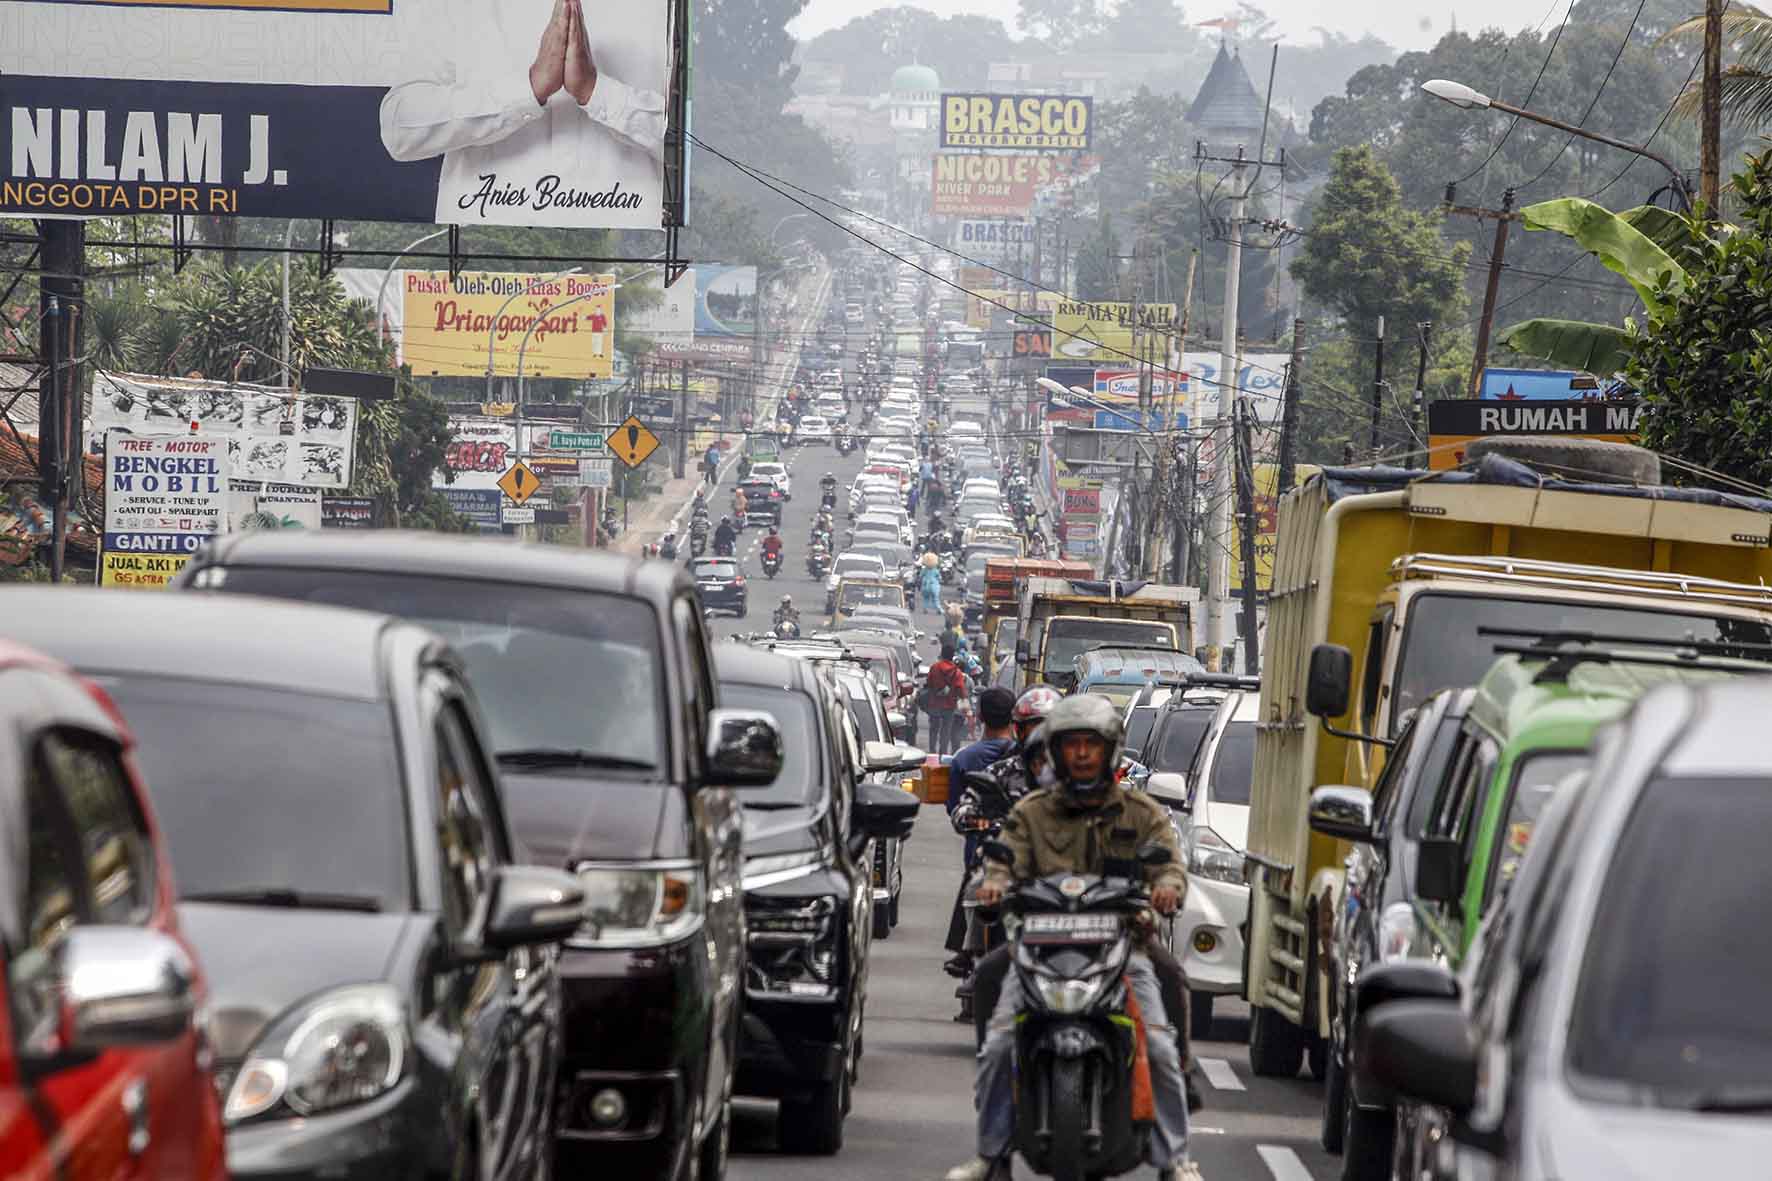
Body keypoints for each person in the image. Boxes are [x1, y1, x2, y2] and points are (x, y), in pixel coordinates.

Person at [947, 695, 1194, 1181]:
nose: (1081, 754)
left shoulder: (1141, 812)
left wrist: (1167, 887)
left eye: (1091, 745)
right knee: (997, 1045)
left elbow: (1168, 863)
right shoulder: (1031, 812)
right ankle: (991, 1154)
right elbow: (1002, 858)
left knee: (1162, 1049)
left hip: (1122, 950)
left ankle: (1175, 1160)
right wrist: (994, 883)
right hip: (1038, 950)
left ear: (1110, 750)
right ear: (1055, 752)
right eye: (1072, 745)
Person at [378, 0, 667, 227]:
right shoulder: (454, 6)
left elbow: (690, 146)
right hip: (481, 255)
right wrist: (526, 91)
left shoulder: (669, 8)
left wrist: (597, 91)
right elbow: (400, 129)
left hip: (624, 254)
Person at [941, 687, 1021, 982]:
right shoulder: (1007, 762)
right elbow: (958, 811)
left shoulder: (966, 758)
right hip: (986, 856)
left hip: (1019, 858)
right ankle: (967, 952)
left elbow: (952, 805)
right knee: (974, 890)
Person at [922, 638, 966, 756]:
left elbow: (929, 682)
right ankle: (943, 753)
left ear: (941, 654)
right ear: (952, 656)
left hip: (934, 703)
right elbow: (961, 691)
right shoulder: (957, 672)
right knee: (945, 731)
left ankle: (932, 751)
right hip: (949, 706)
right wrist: (965, 708)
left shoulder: (935, 667)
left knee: (933, 728)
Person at [919, 550, 943, 615]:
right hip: (933, 586)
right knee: (935, 599)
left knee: (926, 598)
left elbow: (920, 576)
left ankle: (925, 608)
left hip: (925, 586)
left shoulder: (924, 570)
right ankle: (939, 609)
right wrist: (939, 580)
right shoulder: (935, 570)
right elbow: (939, 578)